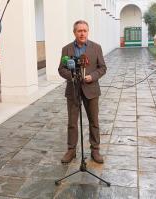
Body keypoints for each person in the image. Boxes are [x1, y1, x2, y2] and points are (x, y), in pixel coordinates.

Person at [58, 20, 107, 164]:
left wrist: (93, 76)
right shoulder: (66, 49)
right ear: (74, 32)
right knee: (72, 122)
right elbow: (61, 69)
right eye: (79, 31)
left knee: (94, 121)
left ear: (88, 32)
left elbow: (102, 68)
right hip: (73, 90)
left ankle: (95, 150)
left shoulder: (96, 48)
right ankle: (71, 150)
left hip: (91, 90)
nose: (82, 33)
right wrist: (72, 76)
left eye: (84, 30)